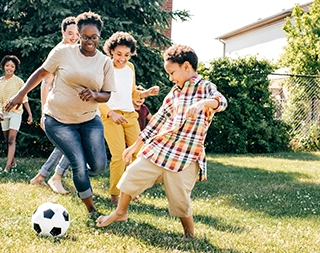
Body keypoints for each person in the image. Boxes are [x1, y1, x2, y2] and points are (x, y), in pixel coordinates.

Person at [96, 44, 228, 238]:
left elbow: (222, 102)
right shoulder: (174, 92)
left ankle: (189, 234)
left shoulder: (205, 87)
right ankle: (120, 212)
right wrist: (134, 146)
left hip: (186, 154)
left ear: (185, 66)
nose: (170, 77)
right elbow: (156, 121)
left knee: (180, 199)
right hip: (162, 148)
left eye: (172, 72)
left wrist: (203, 103)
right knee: (131, 175)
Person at [4, 11, 115, 216]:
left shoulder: (105, 62)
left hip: (89, 119)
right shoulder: (63, 52)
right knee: (79, 164)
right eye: (84, 37)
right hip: (58, 119)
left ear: (99, 36)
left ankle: (77, 175)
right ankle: (91, 209)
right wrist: (21, 95)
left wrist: (93, 94)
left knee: (99, 166)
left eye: (94, 37)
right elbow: (42, 73)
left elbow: (107, 94)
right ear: (78, 35)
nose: (89, 41)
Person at [99, 31, 159, 205]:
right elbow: (97, 97)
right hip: (110, 116)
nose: (122, 58)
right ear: (111, 51)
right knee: (118, 156)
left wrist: (146, 93)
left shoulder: (130, 68)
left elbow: (132, 93)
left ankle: (130, 190)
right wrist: (111, 113)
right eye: (119, 54)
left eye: (127, 55)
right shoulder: (104, 67)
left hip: (130, 116)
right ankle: (115, 195)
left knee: (138, 154)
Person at [30, 16, 79, 194]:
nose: (74, 37)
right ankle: (55, 177)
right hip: (59, 106)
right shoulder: (59, 52)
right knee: (73, 142)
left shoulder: (76, 52)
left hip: (73, 105)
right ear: (63, 32)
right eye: (70, 33)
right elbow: (45, 82)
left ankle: (41, 176)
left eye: (77, 34)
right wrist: (44, 112)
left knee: (65, 143)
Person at [0, 55, 33, 173]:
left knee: (11, 139)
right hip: (4, 114)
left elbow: (24, 98)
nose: (9, 68)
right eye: (7, 66)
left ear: (15, 68)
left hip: (16, 113)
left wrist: (30, 114)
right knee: (7, 139)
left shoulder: (19, 81)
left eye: (12, 66)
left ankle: (7, 167)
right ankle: (13, 161)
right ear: (3, 67)